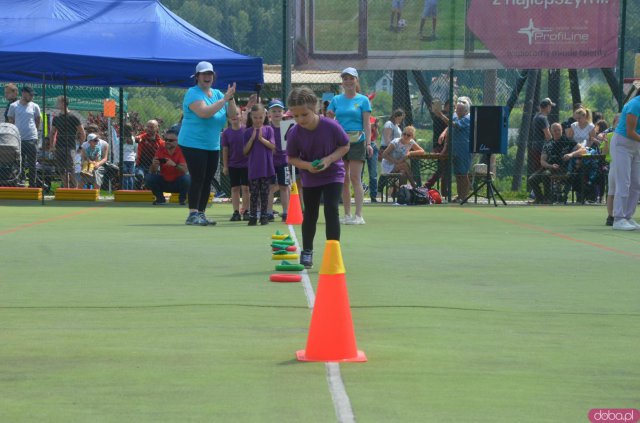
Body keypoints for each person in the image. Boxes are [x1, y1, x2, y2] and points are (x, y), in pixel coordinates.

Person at [286, 87, 350, 269]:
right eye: (295, 116)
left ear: (315, 107)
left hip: (333, 174)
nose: (300, 120)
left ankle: (333, 252)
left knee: (331, 210)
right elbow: (291, 158)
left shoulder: (331, 126)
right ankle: (307, 251)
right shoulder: (294, 133)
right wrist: (307, 166)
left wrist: (329, 160)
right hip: (310, 177)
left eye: (304, 115)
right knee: (311, 213)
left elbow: (344, 146)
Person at [178, 61, 237, 226]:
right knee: (198, 177)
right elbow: (204, 113)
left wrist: (230, 98)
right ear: (197, 77)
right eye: (203, 74)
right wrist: (224, 99)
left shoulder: (218, 94)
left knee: (207, 179)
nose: (207, 77)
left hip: (211, 144)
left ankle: (201, 213)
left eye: (210, 74)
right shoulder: (193, 93)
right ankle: (192, 214)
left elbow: (233, 115)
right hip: (192, 142)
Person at [326, 67, 372, 225]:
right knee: (343, 178)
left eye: (351, 78)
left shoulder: (363, 100)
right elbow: (329, 119)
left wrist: (369, 143)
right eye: (345, 78)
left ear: (356, 80)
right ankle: (346, 214)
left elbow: (367, 124)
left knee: (355, 178)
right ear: (342, 82)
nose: (348, 81)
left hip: (358, 142)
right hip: (340, 142)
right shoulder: (336, 100)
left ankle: (358, 215)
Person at [527, 123, 586, 204]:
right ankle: (539, 198)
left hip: (562, 168)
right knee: (531, 179)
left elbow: (583, 150)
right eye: (555, 130)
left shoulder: (567, 140)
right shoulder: (548, 143)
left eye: (559, 130)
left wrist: (571, 154)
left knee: (546, 174)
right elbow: (542, 161)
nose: (557, 132)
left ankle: (547, 199)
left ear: (562, 130)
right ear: (551, 131)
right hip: (549, 167)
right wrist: (550, 165)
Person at [609, 94, 640, 231]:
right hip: (622, 144)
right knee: (624, 181)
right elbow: (630, 132)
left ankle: (627, 217)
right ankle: (618, 219)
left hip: (635, 145)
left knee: (636, 182)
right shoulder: (635, 104)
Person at [243, 104, 276, 226]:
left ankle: (264, 216)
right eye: (255, 117)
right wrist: (252, 139)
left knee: (265, 193)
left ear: (265, 116)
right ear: (251, 117)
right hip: (253, 169)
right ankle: (252, 217)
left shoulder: (269, 129)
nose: (258, 120)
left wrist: (262, 139)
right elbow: (245, 151)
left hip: (266, 168)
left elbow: (273, 146)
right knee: (254, 193)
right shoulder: (247, 132)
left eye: (260, 117)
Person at [144, 129, 190, 205]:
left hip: (178, 183)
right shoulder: (161, 148)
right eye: (166, 140)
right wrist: (154, 165)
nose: (167, 142)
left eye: (171, 140)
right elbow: (152, 171)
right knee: (149, 177)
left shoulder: (182, 150)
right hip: (164, 181)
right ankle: (160, 199)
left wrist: (174, 165)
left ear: (177, 141)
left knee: (187, 179)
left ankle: (182, 199)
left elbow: (185, 170)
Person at [7, 86, 40, 187]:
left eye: (33, 95)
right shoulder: (13, 106)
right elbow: (11, 121)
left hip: (32, 139)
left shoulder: (35, 106)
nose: (32, 97)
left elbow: (38, 120)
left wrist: (35, 133)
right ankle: (19, 183)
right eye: (30, 94)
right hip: (18, 140)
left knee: (32, 163)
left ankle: (32, 184)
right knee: (19, 163)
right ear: (24, 93)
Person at [222, 110, 250, 221]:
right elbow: (225, 150)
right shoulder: (226, 133)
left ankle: (246, 211)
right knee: (235, 189)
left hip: (246, 164)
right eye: (231, 115)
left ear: (241, 115)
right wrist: (225, 166)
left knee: (246, 188)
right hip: (233, 165)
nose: (234, 117)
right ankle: (236, 212)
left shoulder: (246, 131)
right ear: (228, 118)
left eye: (237, 114)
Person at [52, 96, 85, 188]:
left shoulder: (74, 117)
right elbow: (52, 132)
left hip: (71, 147)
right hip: (59, 147)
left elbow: (82, 133)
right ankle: (66, 188)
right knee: (62, 170)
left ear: (63, 103)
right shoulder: (56, 118)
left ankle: (75, 189)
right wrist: (52, 146)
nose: (56, 104)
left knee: (71, 169)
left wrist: (81, 146)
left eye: (58, 102)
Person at [267, 99, 291, 221]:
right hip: (270, 162)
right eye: (274, 111)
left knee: (284, 187)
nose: (277, 113)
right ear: (269, 113)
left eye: (279, 110)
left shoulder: (287, 127)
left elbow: (291, 144)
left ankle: (286, 212)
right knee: (270, 187)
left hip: (284, 161)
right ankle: (269, 212)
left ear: (283, 112)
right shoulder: (266, 128)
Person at [599, 114, 620, 226]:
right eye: (618, 122)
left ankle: (621, 215)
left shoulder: (629, 137)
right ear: (614, 123)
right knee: (612, 191)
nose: (621, 124)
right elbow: (604, 153)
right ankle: (610, 216)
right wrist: (606, 142)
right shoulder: (610, 135)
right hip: (613, 166)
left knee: (622, 192)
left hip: (626, 167)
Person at [135, 119, 164, 189]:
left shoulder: (160, 142)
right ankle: (139, 191)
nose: (149, 129)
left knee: (151, 180)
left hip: (154, 166)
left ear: (157, 128)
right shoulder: (142, 137)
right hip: (141, 165)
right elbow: (138, 138)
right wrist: (138, 139)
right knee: (139, 175)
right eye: (147, 127)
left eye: (151, 127)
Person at [530, 98, 554, 179]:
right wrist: (553, 143)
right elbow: (548, 135)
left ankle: (534, 189)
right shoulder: (543, 118)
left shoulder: (536, 116)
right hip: (542, 148)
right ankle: (537, 189)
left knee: (537, 169)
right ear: (547, 107)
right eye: (550, 106)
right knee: (542, 170)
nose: (551, 108)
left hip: (536, 147)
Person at [365, 116, 380, 202]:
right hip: (361, 143)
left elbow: (376, 135)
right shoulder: (359, 117)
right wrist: (370, 126)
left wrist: (375, 127)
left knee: (373, 173)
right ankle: (359, 194)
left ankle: (373, 196)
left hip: (372, 144)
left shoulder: (373, 119)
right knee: (359, 173)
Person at [121, 123, 137, 190]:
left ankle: (125, 191)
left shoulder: (122, 138)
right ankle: (131, 191)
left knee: (125, 176)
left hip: (124, 159)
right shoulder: (134, 139)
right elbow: (136, 150)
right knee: (131, 176)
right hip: (132, 159)